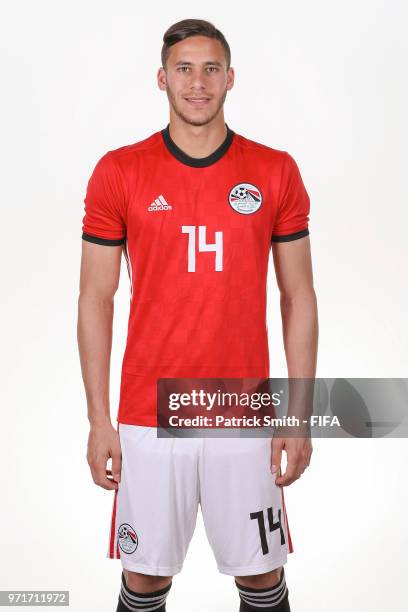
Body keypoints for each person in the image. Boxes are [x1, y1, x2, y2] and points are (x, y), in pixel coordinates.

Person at [77, 18, 318, 612]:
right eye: (184, 69)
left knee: (262, 577)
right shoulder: (120, 171)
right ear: (161, 79)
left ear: (231, 78)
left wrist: (300, 413)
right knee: (146, 580)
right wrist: (98, 419)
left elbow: (299, 298)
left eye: (211, 68)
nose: (198, 82)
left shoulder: (275, 170)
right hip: (148, 409)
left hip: (244, 408)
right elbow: (95, 300)